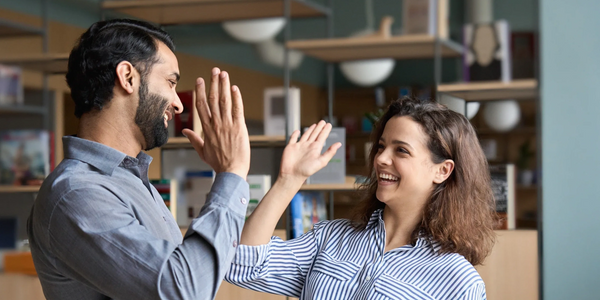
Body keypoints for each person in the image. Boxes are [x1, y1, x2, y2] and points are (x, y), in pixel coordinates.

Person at [27, 19, 252, 300]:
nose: (178, 103)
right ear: (128, 77)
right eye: (170, 82)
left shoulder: (132, 180)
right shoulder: (77, 193)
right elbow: (183, 291)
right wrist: (231, 173)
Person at [226, 97, 497, 299]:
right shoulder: (330, 238)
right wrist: (289, 180)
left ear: (442, 170)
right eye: (381, 146)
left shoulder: (458, 281)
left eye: (401, 150)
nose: (381, 159)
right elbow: (242, 265)